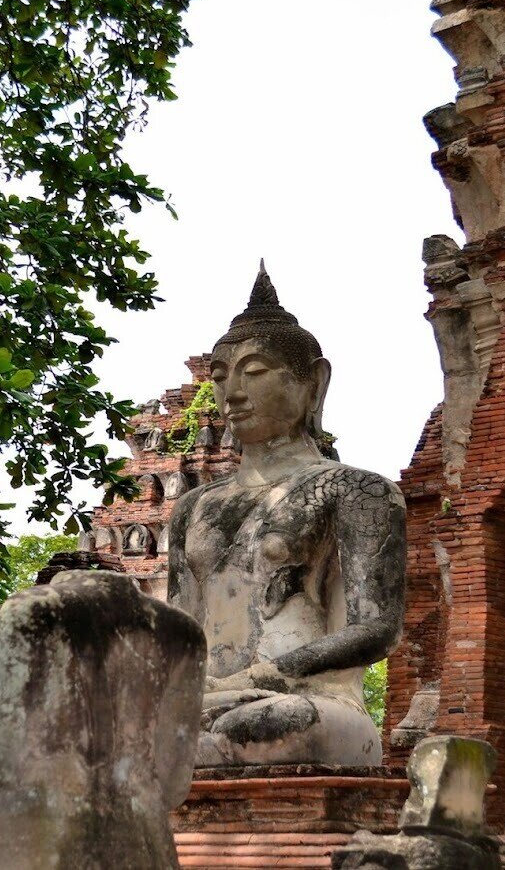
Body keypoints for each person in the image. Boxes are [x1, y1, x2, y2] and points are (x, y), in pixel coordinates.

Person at [166, 266, 405, 767]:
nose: (231, 393)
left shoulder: (356, 489)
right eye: (219, 376)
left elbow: (376, 629)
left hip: (310, 699)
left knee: (273, 724)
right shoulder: (193, 507)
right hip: (205, 699)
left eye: (253, 372)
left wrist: (254, 680)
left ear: (314, 382)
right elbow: (180, 633)